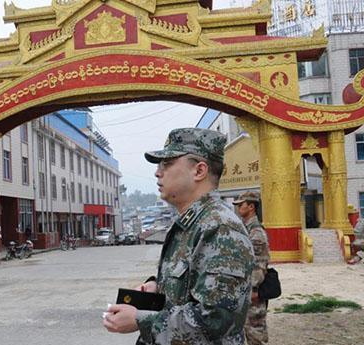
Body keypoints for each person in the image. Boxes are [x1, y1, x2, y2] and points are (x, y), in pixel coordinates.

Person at [103, 128, 255, 344]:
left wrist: (140, 320)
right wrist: (158, 287)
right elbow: (191, 284)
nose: (158, 172)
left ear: (199, 171)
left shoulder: (220, 228)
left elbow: (215, 320)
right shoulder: (193, 222)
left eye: (167, 164)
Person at [233, 191, 270, 345]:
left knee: (255, 334)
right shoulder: (246, 229)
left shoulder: (256, 232)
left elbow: (259, 264)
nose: (238, 208)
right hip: (244, 291)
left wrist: (253, 289)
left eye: (241, 205)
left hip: (252, 293)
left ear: (251, 206)